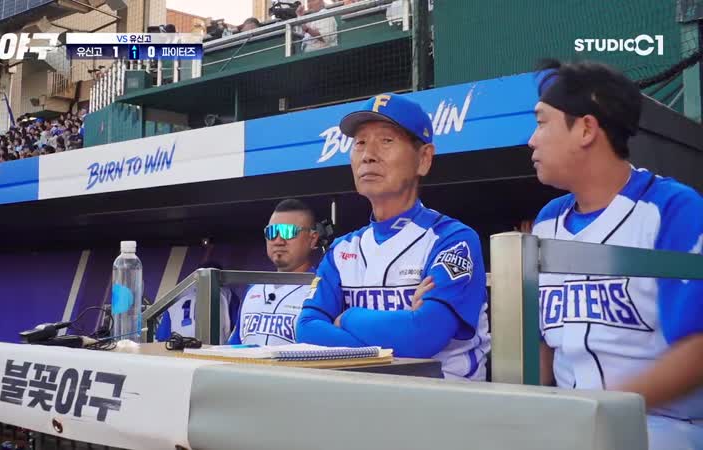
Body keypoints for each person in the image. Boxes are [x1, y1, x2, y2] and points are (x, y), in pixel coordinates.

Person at [528, 59, 703, 449]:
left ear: (586, 129)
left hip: (663, 425)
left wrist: (594, 413)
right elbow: (541, 347)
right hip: (570, 422)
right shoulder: (547, 220)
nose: (532, 140)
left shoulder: (672, 209)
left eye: (541, 123)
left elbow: (697, 350)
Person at [296, 93, 490, 380]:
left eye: (386, 140)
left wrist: (346, 317)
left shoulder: (452, 240)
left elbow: (424, 335)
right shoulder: (342, 249)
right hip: (367, 397)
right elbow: (307, 329)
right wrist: (400, 329)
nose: (368, 155)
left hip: (446, 398)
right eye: (360, 143)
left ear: (423, 159)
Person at [228, 199, 321, 345]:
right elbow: (235, 344)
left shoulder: (323, 290)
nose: (278, 241)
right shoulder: (253, 289)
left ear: (312, 239)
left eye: (288, 232)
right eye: (271, 232)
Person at [156, 261, 234, 344]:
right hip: (213, 348)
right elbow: (237, 330)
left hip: (180, 348)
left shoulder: (177, 295)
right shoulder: (226, 293)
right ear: (220, 279)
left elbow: (162, 336)